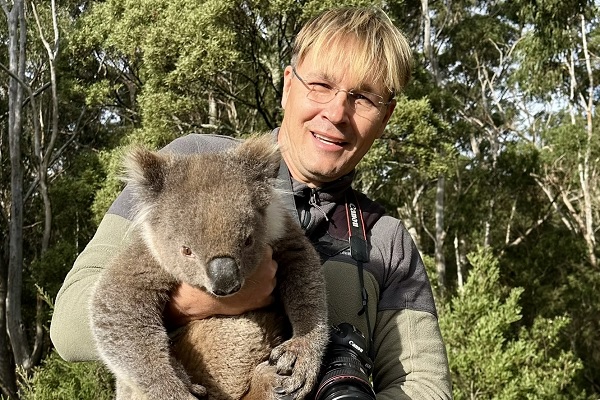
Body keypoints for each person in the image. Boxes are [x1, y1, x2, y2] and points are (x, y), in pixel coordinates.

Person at [50, 6, 453, 399]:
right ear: (288, 85)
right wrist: (199, 303)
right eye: (321, 85)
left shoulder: (386, 239)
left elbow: (426, 387)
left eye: (364, 98)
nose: (336, 112)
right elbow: (70, 328)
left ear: (385, 117)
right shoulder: (186, 165)